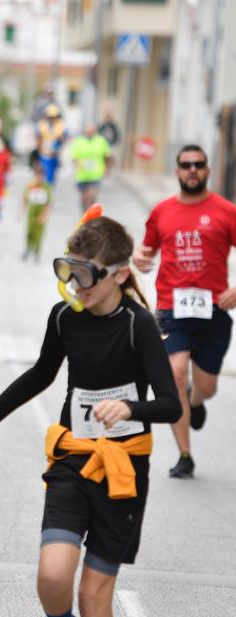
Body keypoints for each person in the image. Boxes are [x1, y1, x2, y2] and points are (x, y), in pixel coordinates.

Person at [0, 216, 181, 617]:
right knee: (53, 575)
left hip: (123, 471)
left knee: (94, 595)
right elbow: (41, 374)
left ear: (121, 274)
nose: (77, 284)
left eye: (88, 275)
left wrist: (130, 408)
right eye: (70, 271)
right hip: (73, 457)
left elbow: (170, 405)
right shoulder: (64, 317)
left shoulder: (139, 326)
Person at [133, 145, 236, 479]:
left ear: (207, 170)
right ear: (177, 171)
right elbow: (145, 252)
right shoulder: (162, 211)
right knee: (176, 373)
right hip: (171, 309)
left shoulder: (225, 211)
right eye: (186, 165)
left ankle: (195, 400)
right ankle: (185, 454)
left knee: (207, 387)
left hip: (214, 310)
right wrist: (139, 259)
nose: (192, 170)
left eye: (198, 165)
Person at [71, 123, 112, 212]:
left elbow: (107, 156)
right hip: (82, 175)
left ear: (95, 131)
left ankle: (91, 217)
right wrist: (78, 164)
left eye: (91, 131)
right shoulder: (78, 141)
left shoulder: (101, 141)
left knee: (92, 195)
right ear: (85, 132)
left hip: (95, 174)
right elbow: (74, 157)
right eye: (88, 131)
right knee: (84, 197)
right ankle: (84, 214)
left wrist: (107, 168)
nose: (89, 133)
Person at [24, 153, 54, 261]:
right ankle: (27, 249)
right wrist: (21, 210)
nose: (38, 177)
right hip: (31, 213)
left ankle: (37, 251)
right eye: (36, 175)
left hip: (40, 213)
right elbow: (25, 198)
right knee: (29, 232)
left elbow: (49, 202)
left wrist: (44, 215)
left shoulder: (46, 187)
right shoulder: (30, 186)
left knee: (39, 234)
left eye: (40, 175)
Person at [36, 105, 68, 186]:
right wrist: (40, 150)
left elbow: (64, 138)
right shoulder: (41, 124)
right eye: (50, 117)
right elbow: (38, 138)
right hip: (43, 153)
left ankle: (49, 189)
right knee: (42, 172)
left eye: (54, 117)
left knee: (51, 176)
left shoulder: (61, 125)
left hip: (55, 154)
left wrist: (61, 139)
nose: (52, 119)